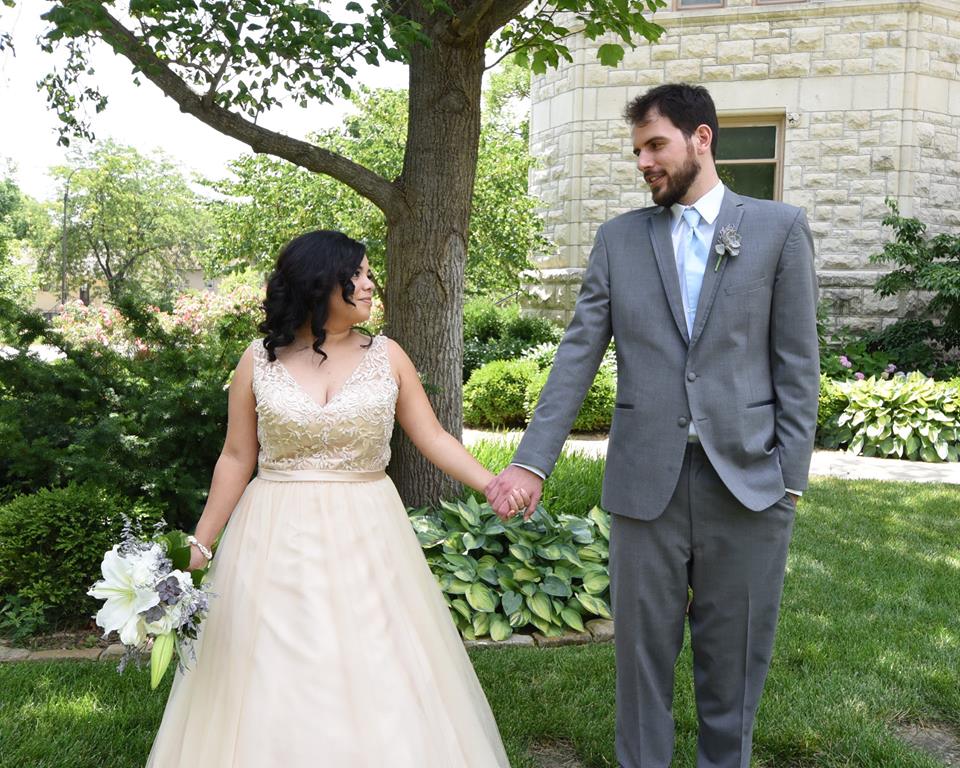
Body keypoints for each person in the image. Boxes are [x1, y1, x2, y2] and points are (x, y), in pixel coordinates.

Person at [486, 84, 819, 768]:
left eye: (655, 144)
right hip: (645, 490)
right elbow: (576, 357)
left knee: (735, 670)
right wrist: (530, 462)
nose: (644, 161)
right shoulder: (619, 241)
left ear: (702, 138)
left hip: (750, 489)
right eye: (637, 149)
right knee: (641, 671)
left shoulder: (778, 230)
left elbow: (797, 363)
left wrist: (790, 480)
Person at [146, 230, 523, 767]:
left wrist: (490, 483)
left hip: (368, 529)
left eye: (371, 275)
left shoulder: (389, 355)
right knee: (274, 660)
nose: (371, 286)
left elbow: (433, 436)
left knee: (379, 653)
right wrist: (199, 548)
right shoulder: (257, 360)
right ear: (321, 284)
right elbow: (235, 457)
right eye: (360, 275)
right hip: (274, 531)